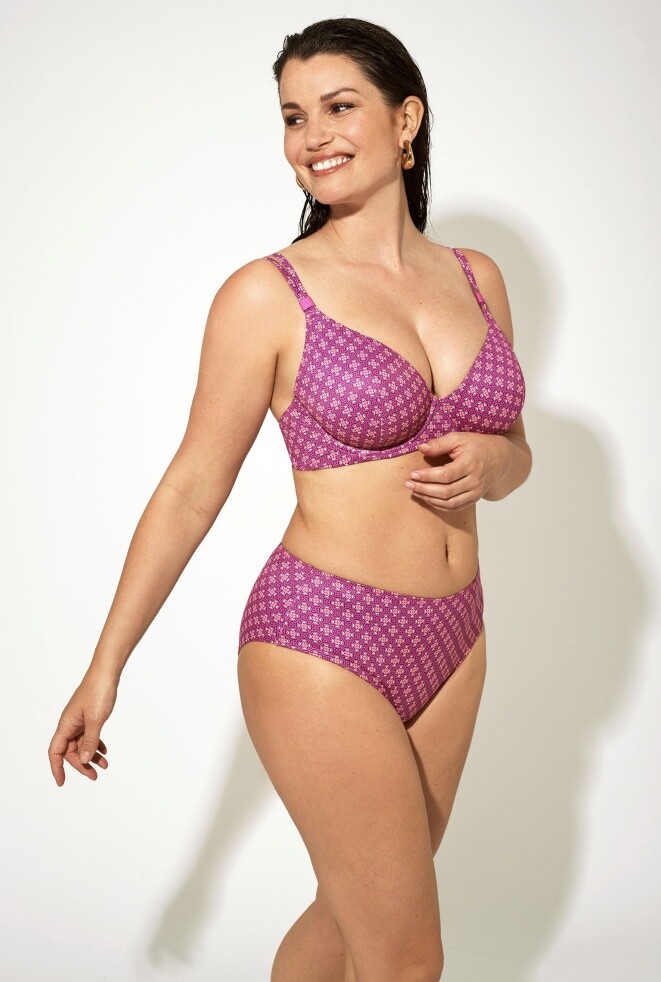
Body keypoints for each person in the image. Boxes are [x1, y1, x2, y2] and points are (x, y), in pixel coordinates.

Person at [48, 17, 531, 982]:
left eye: (338, 107)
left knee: (353, 922)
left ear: (405, 120)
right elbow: (192, 488)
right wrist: (105, 669)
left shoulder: (476, 279)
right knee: (407, 957)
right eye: (293, 117)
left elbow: (517, 454)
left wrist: (493, 461)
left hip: (455, 636)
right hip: (320, 638)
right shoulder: (267, 295)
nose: (313, 136)